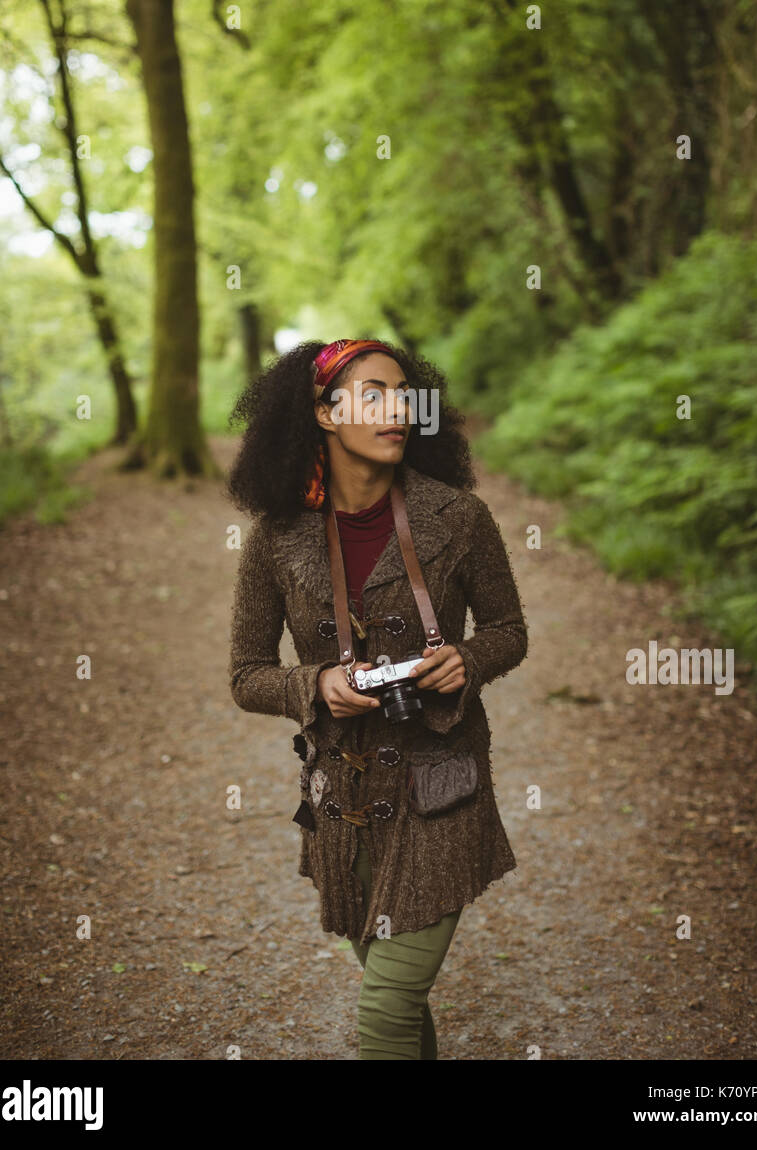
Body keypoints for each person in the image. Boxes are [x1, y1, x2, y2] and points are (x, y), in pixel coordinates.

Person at [226, 338, 528, 1059]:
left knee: (385, 1008)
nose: (397, 409)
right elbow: (245, 673)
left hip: (442, 788)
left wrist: (466, 660)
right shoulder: (275, 538)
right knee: (399, 998)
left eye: (403, 394)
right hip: (342, 801)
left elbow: (509, 630)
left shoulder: (459, 517)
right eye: (372, 395)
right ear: (324, 416)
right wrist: (315, 684)